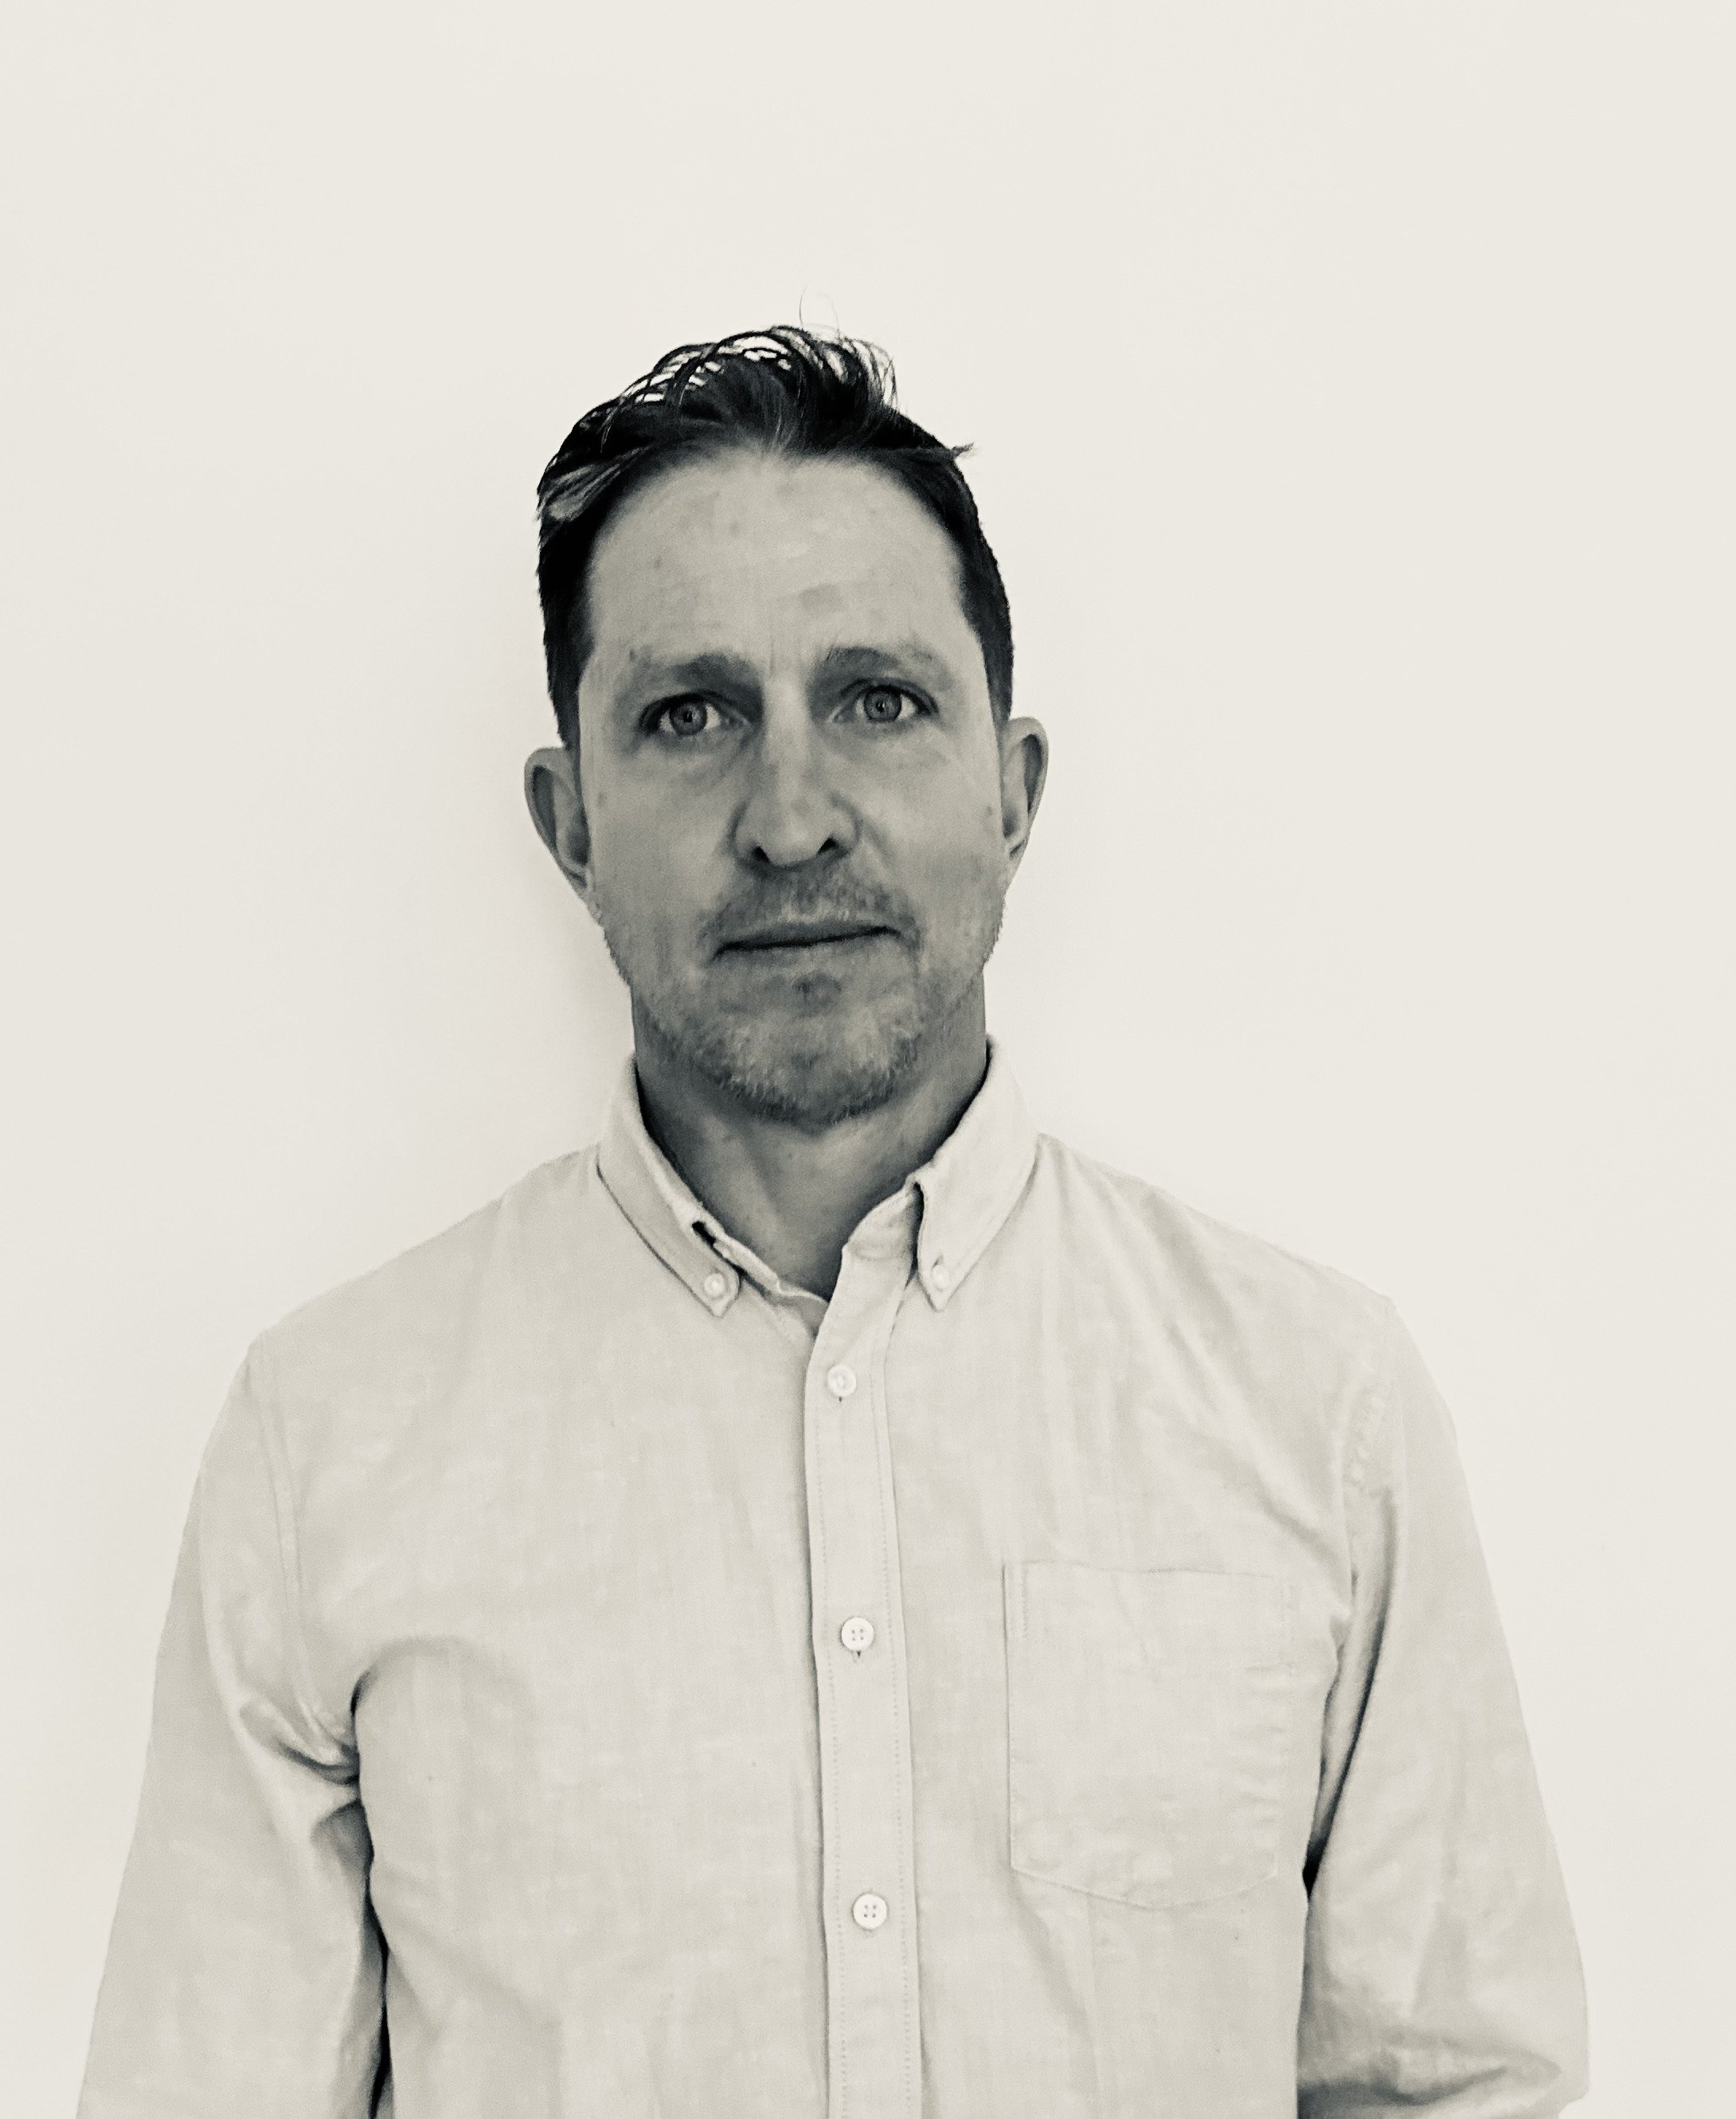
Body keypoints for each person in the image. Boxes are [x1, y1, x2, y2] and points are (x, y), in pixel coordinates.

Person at [79, 327, 1589, 2118]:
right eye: (690, 715)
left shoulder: (1315, 1406)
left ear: (1013, 790)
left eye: (876, 699)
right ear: (571, 824)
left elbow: (1455, 2085)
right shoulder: (331, 1437)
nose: (791, 819)